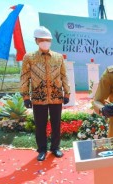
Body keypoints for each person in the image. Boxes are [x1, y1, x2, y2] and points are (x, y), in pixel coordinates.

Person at [20, 26, 70, 161]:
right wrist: (25, 96)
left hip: (56, 96)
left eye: (47, 40)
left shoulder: (58, 57)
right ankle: (42, 149)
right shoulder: (29, 57)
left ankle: (55, 148)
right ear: (36, 41)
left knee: (56, 124)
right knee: (40, 125)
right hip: (38, 96)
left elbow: (64, 75)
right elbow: (24, 77)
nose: (44, 42)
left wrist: (67, 93)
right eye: (41, 40)